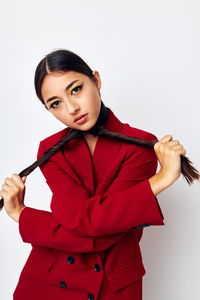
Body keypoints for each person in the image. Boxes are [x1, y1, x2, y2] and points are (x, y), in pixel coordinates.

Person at [0, 49, 186, 300]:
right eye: (55, 103)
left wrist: (24, 216)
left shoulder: (141, 144)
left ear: (96, 80)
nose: (72, 108)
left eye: (75, 89)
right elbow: (85, 222)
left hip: (112, 286)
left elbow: (98, 231)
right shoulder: (50, 149)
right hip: (47, 280)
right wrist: (161, 180)